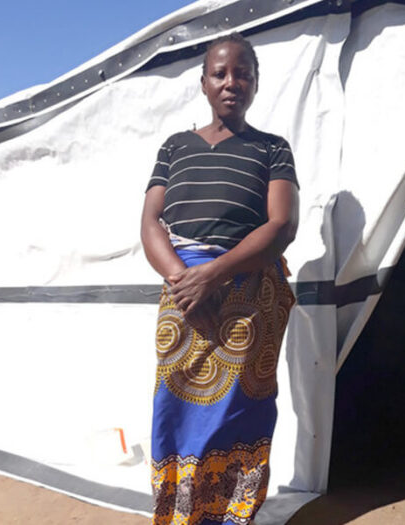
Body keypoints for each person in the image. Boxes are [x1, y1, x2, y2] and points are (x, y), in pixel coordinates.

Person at [140, 32, 299, 525]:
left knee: (238, 413)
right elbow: (150, 223)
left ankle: (234, 517)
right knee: (177, 407)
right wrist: (184, 280)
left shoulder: (273, 148)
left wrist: (213, 275)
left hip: (247, 290)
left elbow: (281, 225)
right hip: (182, 291)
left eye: (243, 73)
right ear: (204, 83)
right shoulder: (175, 147)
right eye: (220, 73)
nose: (232, 82)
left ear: (256, 83)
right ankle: (179, 515)